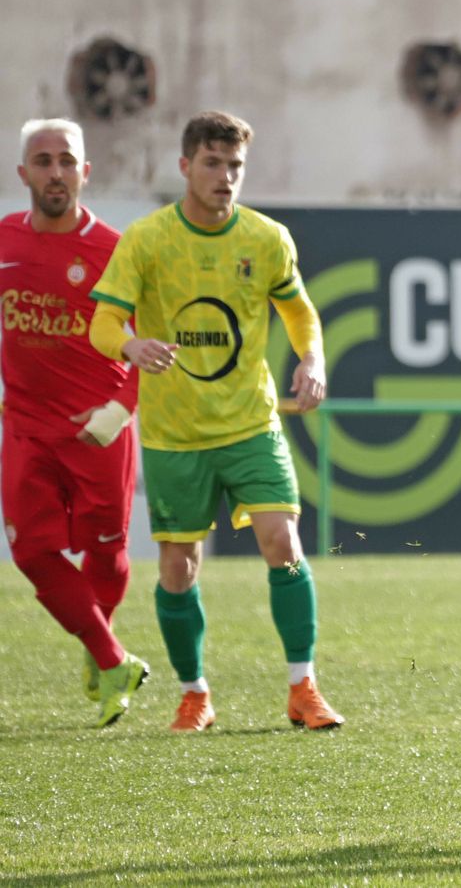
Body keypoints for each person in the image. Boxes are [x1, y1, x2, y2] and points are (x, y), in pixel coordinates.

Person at [87, 110, 342, 733]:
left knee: (283, 546)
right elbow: (100, 325)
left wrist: (313, 361)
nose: (225, 177)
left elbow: (301, 314)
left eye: (235, 166)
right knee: (179, 568)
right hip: (175, 435)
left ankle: (303, 688)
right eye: (212, 163)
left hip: (251, 424)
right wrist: (130, 346)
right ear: (185, 167)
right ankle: (195, 693)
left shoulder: (266, 238)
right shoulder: (146, 240)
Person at [2, 118, 148, 727]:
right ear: (23, 174)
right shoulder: (4, 240)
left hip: (99, 431)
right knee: (32, 552)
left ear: (86, 172)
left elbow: (151, 345)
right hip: (27, 430)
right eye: (43, 160)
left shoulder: (116, 252)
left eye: (67, 160)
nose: (55, 172)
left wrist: (119, 411)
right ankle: (111, 656)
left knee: (107, 554)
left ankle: (100, 646)